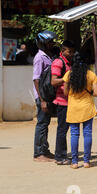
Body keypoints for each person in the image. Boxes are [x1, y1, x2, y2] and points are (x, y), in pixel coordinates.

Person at [63, 52, 97, 169]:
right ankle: (87, 161)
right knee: (87, 133)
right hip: (87, 107)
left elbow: (65, 92)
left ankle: (74, 162)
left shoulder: (68, 75)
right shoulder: (91, 75)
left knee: (74, 134)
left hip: (73, 108)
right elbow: (96, 93)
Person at [32, 31, 57, 162]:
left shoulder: (49, 56)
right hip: (42, 97)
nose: (52, 44)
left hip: (47, 96)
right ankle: (38, 153)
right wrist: (42, 100)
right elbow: (36, 79)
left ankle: (45, 150)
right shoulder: (39, 58)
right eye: (49, 42)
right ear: (43, 44)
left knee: (45, 123)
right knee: (41, 124)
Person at [51, 40, 76, 165]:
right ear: (63, 50)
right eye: (68, 51)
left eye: (72, 51)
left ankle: (61, 155)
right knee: (62, 130)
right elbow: (54, 81)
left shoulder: (69, 63)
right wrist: (66, 78)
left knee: (64, 129)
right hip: (62, 102)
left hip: (69, 101)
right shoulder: (58, 62)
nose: (71, 53)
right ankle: (60, 156)